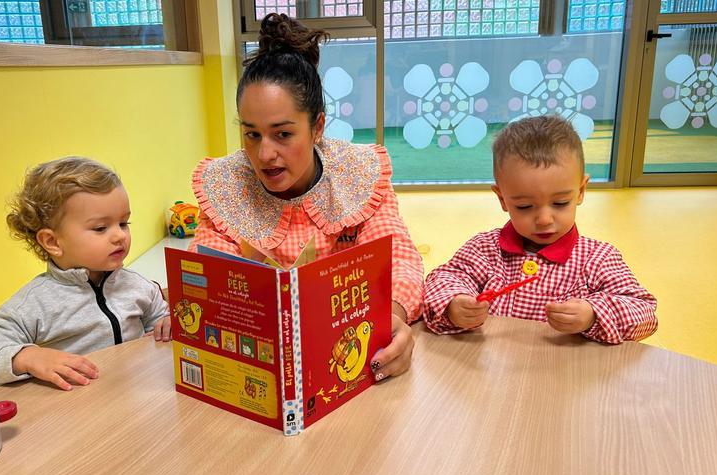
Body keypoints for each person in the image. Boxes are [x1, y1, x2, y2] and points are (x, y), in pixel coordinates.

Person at [189, 13, 424, 380]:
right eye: (251, 134)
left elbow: (398, 259)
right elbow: (206, 267)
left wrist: (391, 317)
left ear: (317, 127)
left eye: (283, 134)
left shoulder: (357, 175)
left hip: (349, 359)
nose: (265, 154)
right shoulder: (228, 186)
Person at [423, 116, 658, 344]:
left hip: (565, 369)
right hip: (492, 366)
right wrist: (454, 304)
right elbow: (443, 279)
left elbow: (644, 314)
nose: (544, 220)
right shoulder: (485, 249)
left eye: (560, 203)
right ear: (502, 198)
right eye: (525, 206)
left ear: (581, 191)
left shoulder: (597, 258)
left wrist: (592, 314)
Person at [0, 157, 171, 395]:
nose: (120, 236)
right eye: (100, 228)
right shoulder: (33, 305)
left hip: (140, 400)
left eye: (123, 223)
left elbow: (160, 324)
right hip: (80, 408)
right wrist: (27, 356)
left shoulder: (138, 285)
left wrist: (169, 323)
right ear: (52, 242)